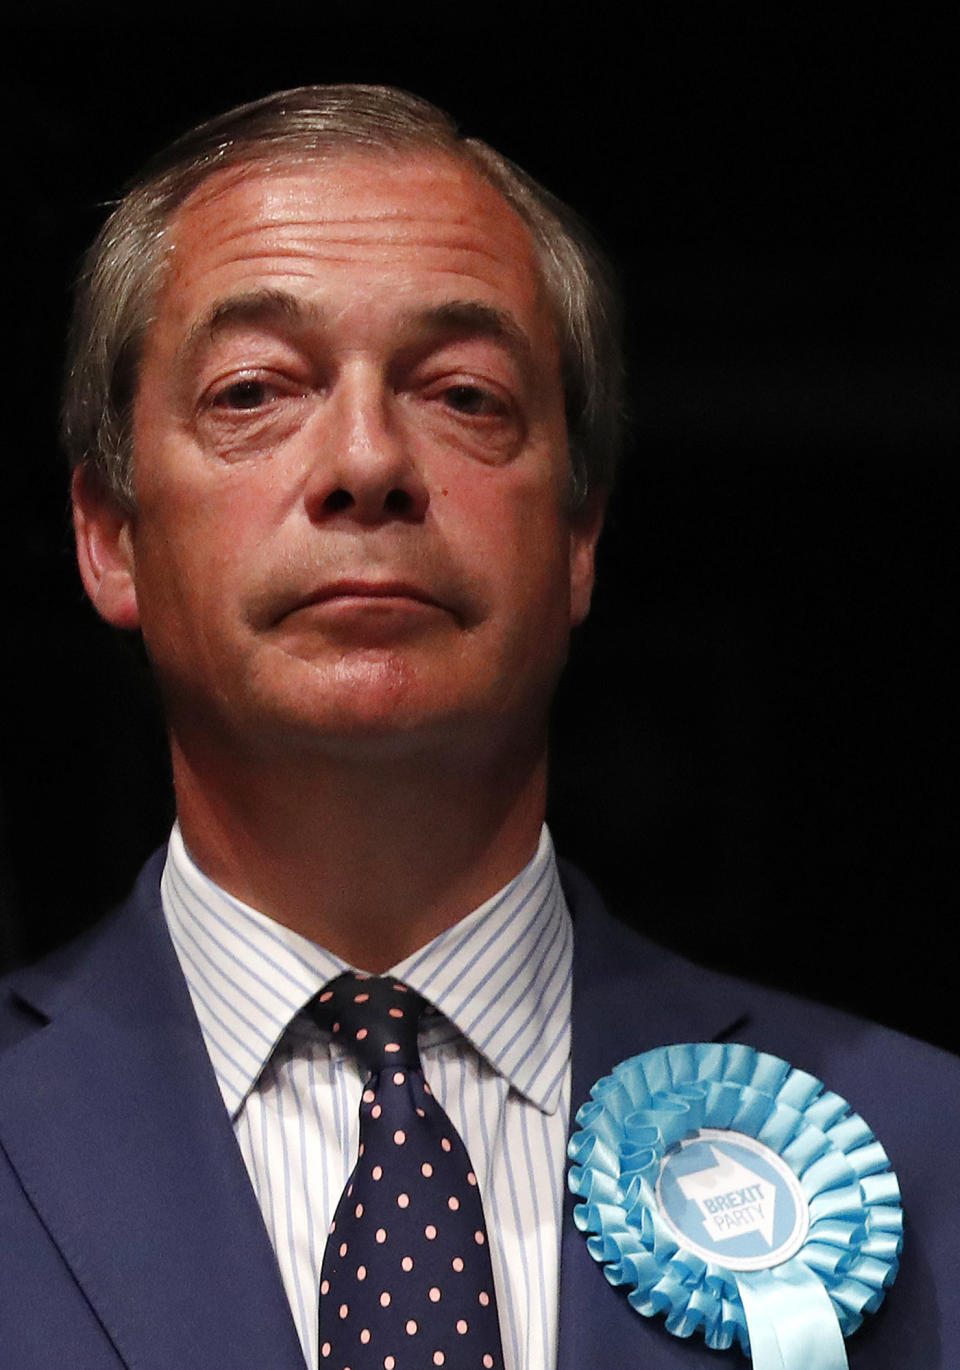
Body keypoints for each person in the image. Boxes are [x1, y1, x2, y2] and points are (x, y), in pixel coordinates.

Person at [0, 84, 956, 1370]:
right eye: (252, 391)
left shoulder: (920, 1157)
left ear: (575, 536)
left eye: (463, 394)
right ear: (109, 537)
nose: (366, 460)